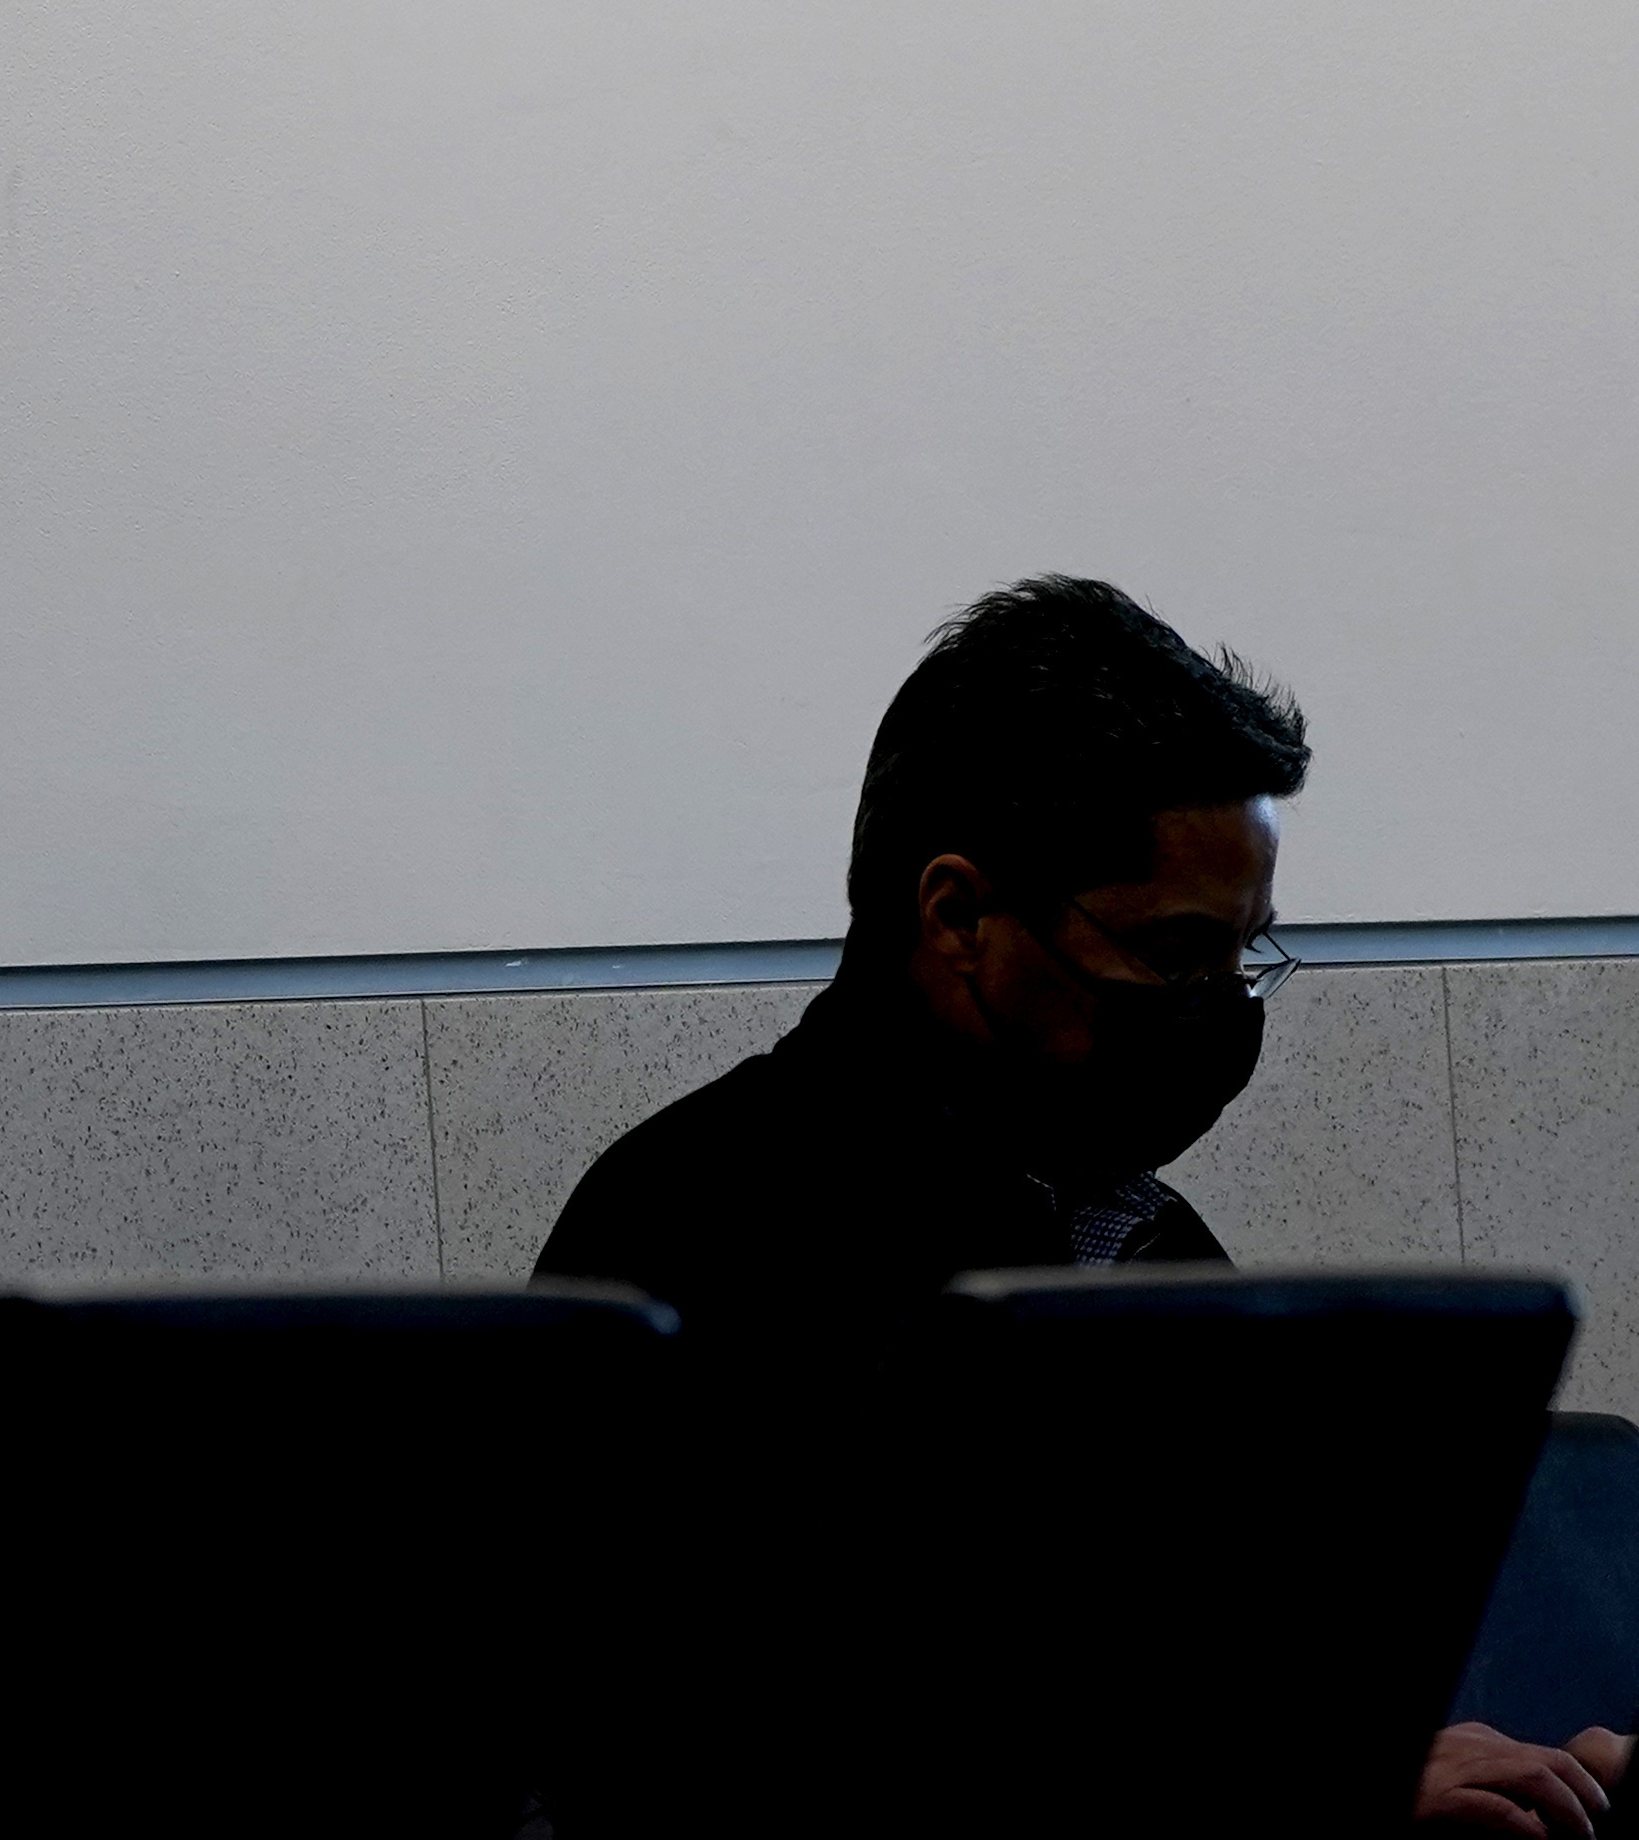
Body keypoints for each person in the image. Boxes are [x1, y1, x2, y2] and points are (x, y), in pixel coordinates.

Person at [539, 575, 1627, 1835]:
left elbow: (1245, 1680)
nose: (1220, 1007)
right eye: (1174, 953)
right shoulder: (696, 1236)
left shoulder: (1138, 1239)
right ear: (956, 914)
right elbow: (733, 1760)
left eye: (1244, 953)